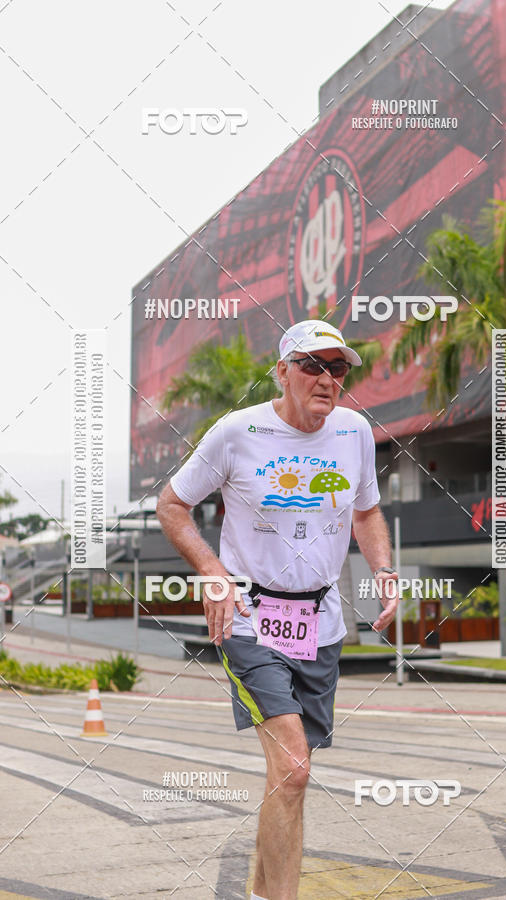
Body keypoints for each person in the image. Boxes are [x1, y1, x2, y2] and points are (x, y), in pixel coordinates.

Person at [157, 320, 399, 900]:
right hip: (248, 619)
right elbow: (172, 505)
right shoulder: (238, 432)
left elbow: (366, 512)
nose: (326, 378)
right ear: (283, 370)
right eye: (312, 365)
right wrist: (214, 576)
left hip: (321, 625)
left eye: (337, 367)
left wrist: (384, 571)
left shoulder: (354, 432)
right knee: (294, 768)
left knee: (289, 776)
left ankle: (263, 894)